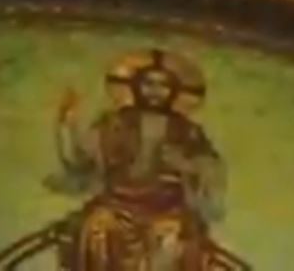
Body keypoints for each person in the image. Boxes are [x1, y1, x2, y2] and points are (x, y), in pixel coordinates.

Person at [47, 50, 229, 271]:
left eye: (163, 85)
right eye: (148, 84)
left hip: (167, 209)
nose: (155, 91)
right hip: (118, 203)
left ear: (173, 92)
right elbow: (81, 159)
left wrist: (185, 164)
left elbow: (209, 167)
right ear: (135, 88)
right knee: (97, 226)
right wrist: (68, 126)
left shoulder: (188, 131)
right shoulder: (115, 123)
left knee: (176, 238)